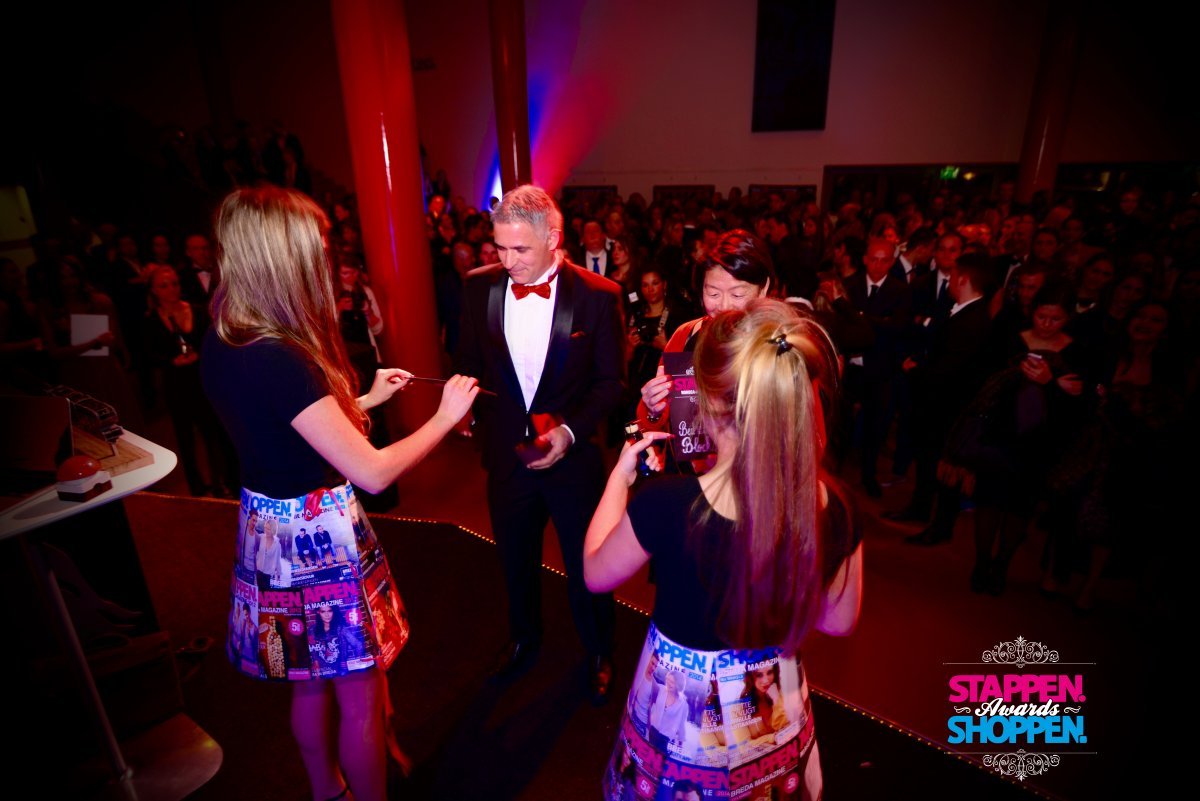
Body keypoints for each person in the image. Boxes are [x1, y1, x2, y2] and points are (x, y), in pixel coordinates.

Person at [201, 186, 478, 801]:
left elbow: (285, 428)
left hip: (268, 529)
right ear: (284, 257)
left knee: (307, 683)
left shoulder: (227, 334)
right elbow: (374, 472)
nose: (324, 262)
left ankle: (328, 791)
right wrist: (443, 416)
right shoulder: (280, 357)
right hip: (314, 537)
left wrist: (367, 398)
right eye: (316, 250)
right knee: (357, 691)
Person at [587, 299, 862, 801]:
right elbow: (838, 621)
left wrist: (618, 480)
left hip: (682, 718)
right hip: (774, 702)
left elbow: (595, 572)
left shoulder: (667, 504)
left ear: (710, 403)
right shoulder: (833, 505)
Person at [454, 184, 624, 704]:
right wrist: (462, 407)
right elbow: (468, 364)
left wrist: (569, 432)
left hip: (574, 462)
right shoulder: (477, 288)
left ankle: (598, 649)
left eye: (520, 249)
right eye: (499, 248)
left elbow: (610, 385)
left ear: (553, 238)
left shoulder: (599, 296)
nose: (507, 262)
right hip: (507, 456)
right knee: (515, 559)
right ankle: (524, 639)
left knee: (586, 564)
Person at [636, 229, 776, 473]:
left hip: (755, 480)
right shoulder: (686, 336)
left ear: (763, 289)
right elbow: (652, 422)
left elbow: (808, 439)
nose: (723, 306)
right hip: (690, 479)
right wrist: (652, 409)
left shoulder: (780, 346)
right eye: (713, 293)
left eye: (737, 294)